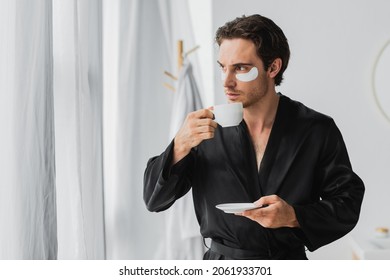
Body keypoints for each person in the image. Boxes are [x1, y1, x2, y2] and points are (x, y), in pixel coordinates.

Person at [143, 14, 365, 260]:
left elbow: (348, 204)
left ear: (273, 67)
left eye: (240, 68)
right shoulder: (203, 130)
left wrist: (293, 216)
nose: (227, 81)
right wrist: (179, 145)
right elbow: (154, 200)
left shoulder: (315, 129)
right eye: (222, 68)